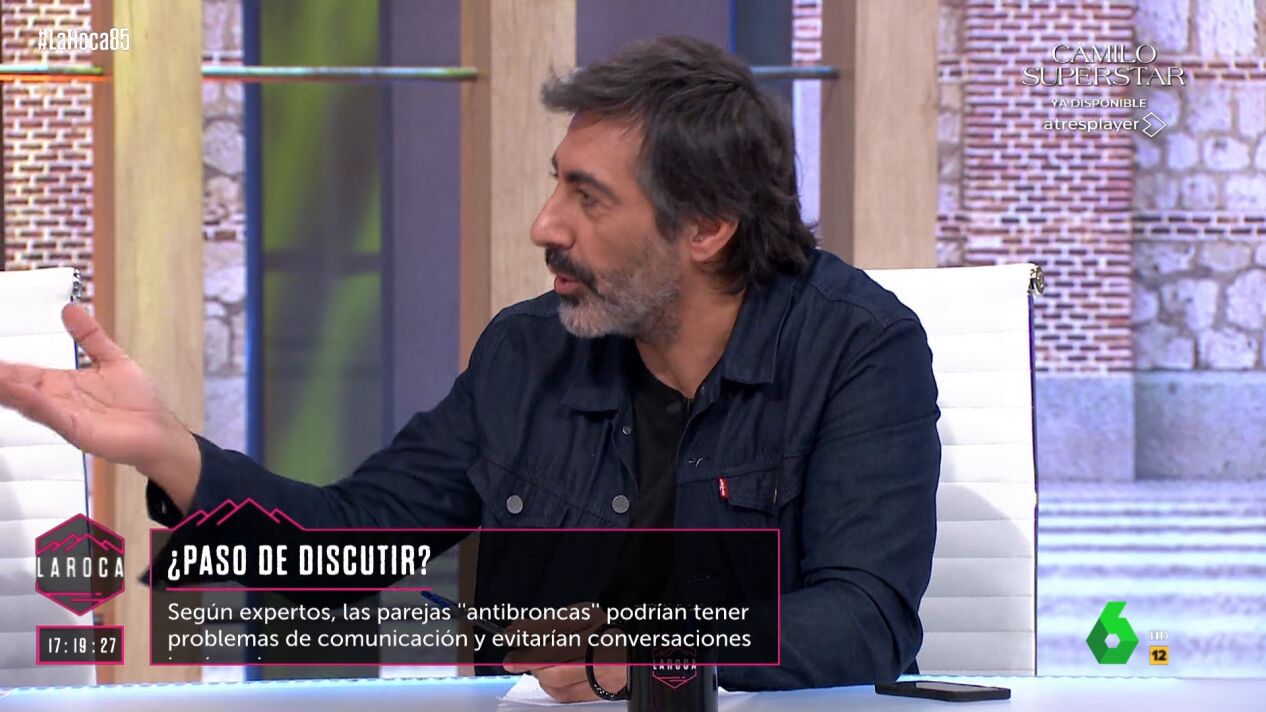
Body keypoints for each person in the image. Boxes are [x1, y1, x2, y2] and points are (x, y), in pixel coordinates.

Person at [0, 36, 940, 701]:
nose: (544, 225)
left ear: (706, 228)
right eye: (555, 180)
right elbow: (351, 545)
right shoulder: (529, 351)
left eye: (588, 198)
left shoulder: (859, 348)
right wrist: (170, 452)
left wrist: (640, 649)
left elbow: (867, 616)